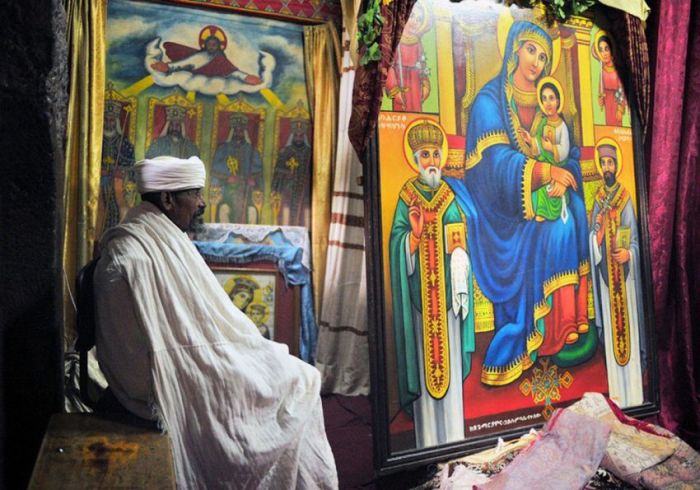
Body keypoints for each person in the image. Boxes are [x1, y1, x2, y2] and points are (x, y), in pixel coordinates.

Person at [93, 155, 337, 488]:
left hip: (182, 359)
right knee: (299, 383)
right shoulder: (130, 254)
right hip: (154, 380)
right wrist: (209, 365)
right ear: (167, 199)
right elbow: (136, 361)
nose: (203, 203)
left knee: (291, 374)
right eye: (195, 193)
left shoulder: (162, 235)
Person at [445, 20, 591, 387]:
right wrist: (544, 173)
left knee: (570, 214)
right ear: (513, 49)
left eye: (544, 56)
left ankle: (567, 328)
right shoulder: (489, 101)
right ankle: (539, 334)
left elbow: (570, 153)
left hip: (543, 196)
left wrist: (565, 175)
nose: (537, 62)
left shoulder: (550, 105)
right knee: (559, 225)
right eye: (531, 50)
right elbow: (493, 167)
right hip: (501, 211)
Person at [389, 119, 475, 449]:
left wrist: (459, 257)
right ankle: (427, 444)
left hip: (449, 301)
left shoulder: (449, 197)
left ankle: (454, 437)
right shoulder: (406, 197)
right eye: (425, 155)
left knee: (449, 370)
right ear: (415, 159)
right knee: (428, 372)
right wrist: (412, 238)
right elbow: (396, 243)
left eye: (436, 154)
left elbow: (461, 241)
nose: (432, 161)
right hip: (420, 301)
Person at [589, 138, 644, 408]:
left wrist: (629, 254)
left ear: (617, 165)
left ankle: (635, 393)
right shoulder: (598, 201)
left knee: (629, 334)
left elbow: (635, 239)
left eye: (610, 162)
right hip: (606, 279)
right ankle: (618, 400)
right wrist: (597, 233)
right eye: (603, 163)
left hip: (626, 280)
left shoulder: (626, 198)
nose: (607, 167)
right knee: (613, 337)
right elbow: (592, 242)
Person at [519, 77, 571, 223]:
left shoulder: (562, 127)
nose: (548, 103)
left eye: (551, 98)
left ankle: (546, 213)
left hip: (556, 167)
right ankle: (539, 212)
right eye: (544, 99)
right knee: (537, 188)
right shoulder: (542, 123)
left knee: (548, 190)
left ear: (558, 101)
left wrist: (552, 148)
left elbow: (565, 151)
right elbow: (538, 146)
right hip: (544, 165)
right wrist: (530, 140)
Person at [150, 25, 262, 84]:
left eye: (214, 45)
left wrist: (246, 77)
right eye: (209, 44)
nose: (211, 47)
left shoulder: (221, 60)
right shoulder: (200, 56)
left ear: (219, 47)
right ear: (205, 45)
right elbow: (186, 63)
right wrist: (168, 67)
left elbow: (232, 72)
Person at [211, 113, 263, 224]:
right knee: (223, 209)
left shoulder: (252, 151)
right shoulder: (223, 149)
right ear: (232, 131)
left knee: (252, 211)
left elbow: (258, 172)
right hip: (227, 190)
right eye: (236, 130)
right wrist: (227, 178)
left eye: (241, 130)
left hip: (247, 192)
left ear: (244, 132)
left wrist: (253, 181)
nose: (238, 133)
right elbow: (215, 171)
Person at [384, 2, 431, 112]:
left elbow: (422, 65)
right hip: (400, 80)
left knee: (415, 112)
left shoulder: (417, 42)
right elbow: (389, 66)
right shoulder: (396, 39)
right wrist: (394, 89)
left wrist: (425, 84)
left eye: (419, 19)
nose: (415, 21)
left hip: (415, 84)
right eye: (412, 16)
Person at [99, 99, 135, 233]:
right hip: (98, 183)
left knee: (118, 208)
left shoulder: (124, 143)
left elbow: (130, 168)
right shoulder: (96, 141)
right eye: (106, 120)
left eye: (112, 120)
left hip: (118, 184)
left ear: (116, 122)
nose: (109, 123)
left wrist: (120, 171)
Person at [271, 116, 312, 226]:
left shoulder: (309, 153)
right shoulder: (285, 152)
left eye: (301, 136)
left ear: (304, 137)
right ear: (292, 136)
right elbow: (278, 171)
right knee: (286, 211)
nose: (298, 138)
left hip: (305, 191)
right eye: (296, 136)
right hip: (288, 189)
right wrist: (287, 174)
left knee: (306, 213)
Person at [594, 32, 626, 125]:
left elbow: (621, 90)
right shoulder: (602, 71)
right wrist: (601, 99)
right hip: (608, 105)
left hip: (616, 104)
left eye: (606, 49)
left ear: (611, 49)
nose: (604, 53)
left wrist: (620, 109)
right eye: (601, 50)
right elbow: (600, 91)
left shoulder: (617, 70)